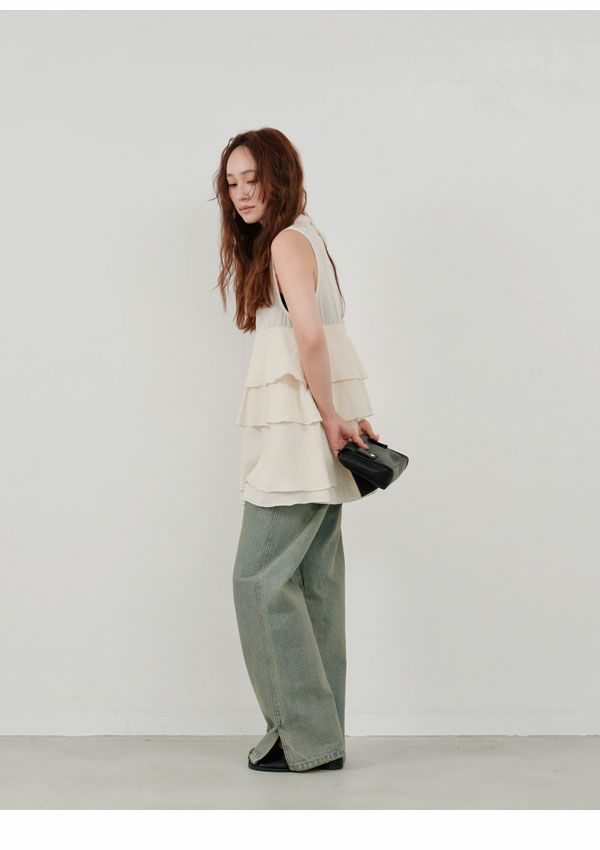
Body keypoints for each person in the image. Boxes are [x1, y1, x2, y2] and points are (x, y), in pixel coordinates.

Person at [215, 127, 380, 772]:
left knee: (257, 578)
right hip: (316, 430)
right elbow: (331, 336)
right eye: (232, 183)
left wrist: (332, 417)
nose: (241, 193)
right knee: (314, 584)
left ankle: (303, 738)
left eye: (252, 179)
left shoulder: (286, 241)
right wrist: (344, 413)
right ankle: (320, 738)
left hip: (299, 433)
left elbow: (310, 338)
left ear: (280, 175)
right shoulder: (308, 236)